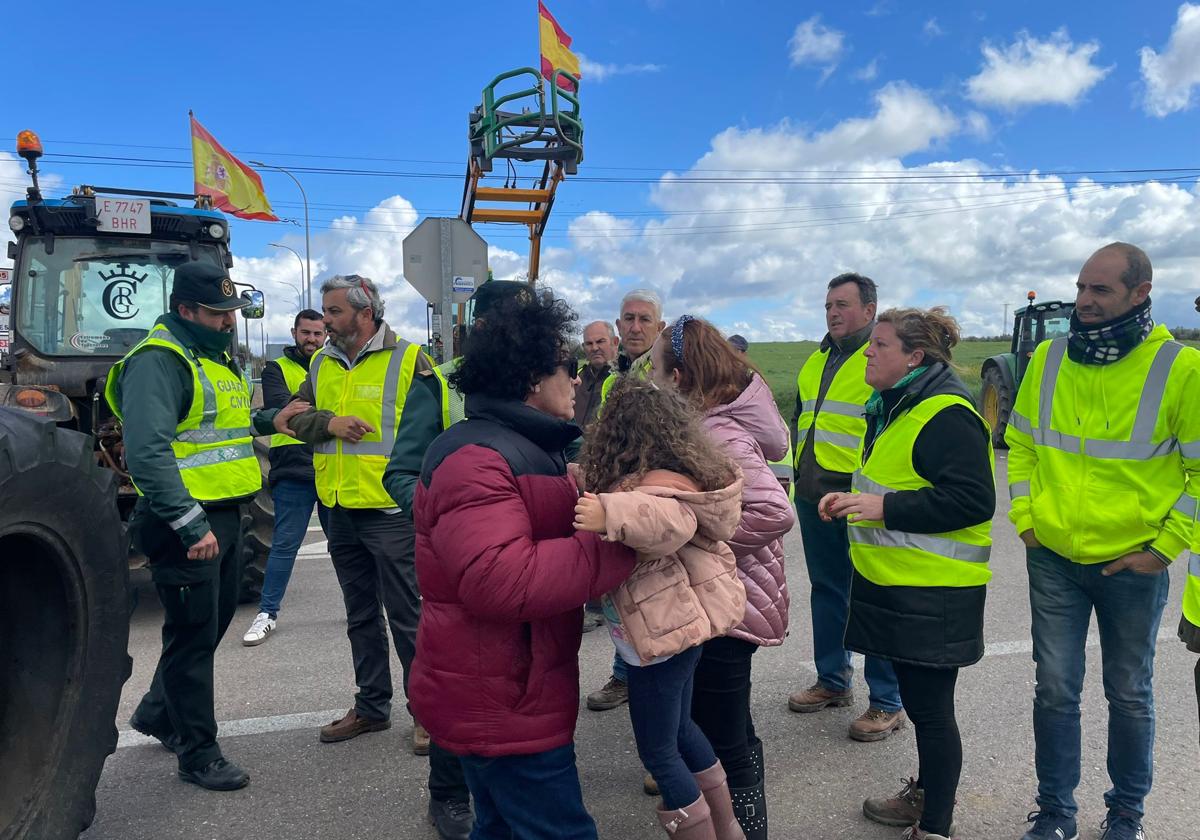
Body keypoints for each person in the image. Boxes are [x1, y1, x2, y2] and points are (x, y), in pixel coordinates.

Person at [409, 288, 636, 840]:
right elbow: (500, 581)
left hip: (510, 685)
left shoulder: (524, 446)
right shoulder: (479, 458)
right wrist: (620, 541)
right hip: (500, 694)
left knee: (502, 827)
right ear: (534, 377)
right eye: (569, 368)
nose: (580, 379)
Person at [1006, 243, 1200, 840]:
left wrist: (1163, 548)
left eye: (1101, 291)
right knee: (1055, 691)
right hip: (1055, 560)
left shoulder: (1181, 369)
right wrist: (1025, 518)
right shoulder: (1048, 356)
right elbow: (1022, 444)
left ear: (1141, 293)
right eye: (1082, 287)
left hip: (1134, 566)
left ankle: (1126, 816)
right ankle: (1056, 812)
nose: (1084, 302)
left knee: (1130, 694)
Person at [107, 261, 299, 791]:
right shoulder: (159, 361)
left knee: (207, 629)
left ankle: (156, 712)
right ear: (185, 310)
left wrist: (268, 421)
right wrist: (191, 526)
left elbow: (219, 428)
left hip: (225, 513)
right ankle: (199, 752)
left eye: (232, 312)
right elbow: (147, 453)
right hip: (185, 521)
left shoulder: (211, 357)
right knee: (192, 638)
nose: (228, 322)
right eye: (217, 314)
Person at [820, 307, 995, 840]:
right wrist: (853, 501)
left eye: (879, 345)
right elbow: (894, 479)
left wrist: (883, 509)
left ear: (914, 357)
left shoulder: (945, 412)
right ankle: (926, 795)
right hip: (897, 584)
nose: (868, 352)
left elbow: (974, 500)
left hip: (934, 591)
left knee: (933, 711)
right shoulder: (896, 404)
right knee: (922, 709)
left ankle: (935, 826)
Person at [381, 278, 530, 840]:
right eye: (511, 324)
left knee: (520, 678)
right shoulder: (440, 385)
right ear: (482, 327)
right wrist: (445, 522)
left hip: (523, 563)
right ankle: (447, 793)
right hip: (459, 566)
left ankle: (509, 788)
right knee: (459, 678)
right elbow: (400, 474)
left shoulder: (541, 385)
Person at [574, 378, 747, 839]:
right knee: (682, 731)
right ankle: (728, 829)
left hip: (658, 643)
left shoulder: (659, 489)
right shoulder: (660, 475)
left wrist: (609, 514)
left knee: (658, 752)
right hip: (675, 635)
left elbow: (665, 522)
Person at [279, 275, 442, 757]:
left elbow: (433, 434)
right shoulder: (321, 361)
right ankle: (372, 706)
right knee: (360, 616)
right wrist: (329, 423)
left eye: (332, 312)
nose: (323, 321)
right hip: (337, 507)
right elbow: (291, 419)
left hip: (390, 511)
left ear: (363, 311)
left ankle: (427, 715)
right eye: (324, 313)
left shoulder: (412, 361)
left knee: (409, 617)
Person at [651, 315, 795, 839]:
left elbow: (774, 512)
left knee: (724, 733)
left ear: (682, 378)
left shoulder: (715, 430)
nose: (652, 378)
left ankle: (747, 830)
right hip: (728, 596)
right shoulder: (706, 423)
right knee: (725, 725)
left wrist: (689, 538)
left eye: (658, 368)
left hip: (730, 603)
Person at [787, 273, 906, 742]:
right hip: (815, 495)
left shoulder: (880, 358)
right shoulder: (815, 361)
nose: (833, 312)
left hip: (860, 498)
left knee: (873, 596)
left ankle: (886, 701)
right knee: (829, 590)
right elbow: (801, 421)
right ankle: (833, 681)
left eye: (843, 304)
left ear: (870, 309)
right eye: (828, 305)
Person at [587, 288, 668, 712]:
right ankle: (626, 675)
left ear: (660, 327)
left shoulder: (669, 372)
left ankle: (660, 693)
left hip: (656, 502)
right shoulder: (616, 378)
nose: (635, 327)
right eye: (628, 319)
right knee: (620, 592)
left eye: (644, 319)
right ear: (619, 327)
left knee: (657, 596)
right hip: (618, 500)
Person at [242, 309, 330, 645]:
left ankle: (364, 607)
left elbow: (315, 409)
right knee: (283, 545)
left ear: (326, 336)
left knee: (349, 545)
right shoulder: (277, 369)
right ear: (294, 333)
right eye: (306, 333)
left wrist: (308, 408)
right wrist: (324, 413)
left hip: (330, 466)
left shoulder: (332, 367)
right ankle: (267, 613)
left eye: (317, 334)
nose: (311, 339)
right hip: (293, 468)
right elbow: (283, 410)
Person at [728, 335, 793, 501]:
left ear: (743, 353)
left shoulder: (748, 385)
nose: (730, 356)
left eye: (735, 351)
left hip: (767, 485)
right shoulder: (754, 384)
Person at [574, 320, 618, 429]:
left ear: (615, 342)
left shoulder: (626, 378)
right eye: (589, 343)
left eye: (600, 341)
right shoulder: (575, 378)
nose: (594, 348)